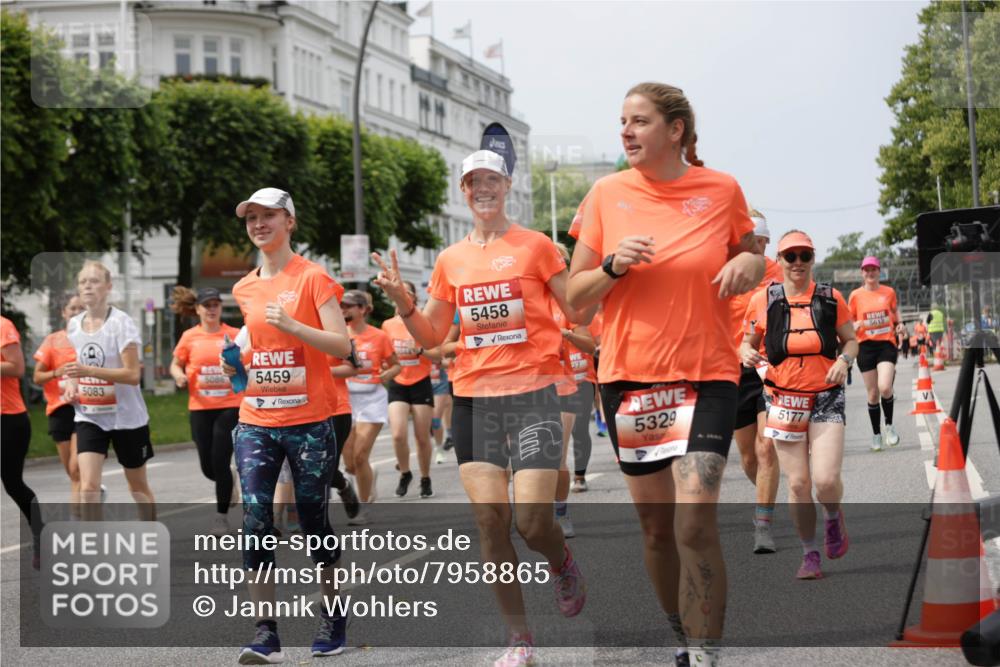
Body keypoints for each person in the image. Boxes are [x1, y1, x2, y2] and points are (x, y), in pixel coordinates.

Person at [567, 82, 765, 667]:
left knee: (695, 518)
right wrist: (611, 265)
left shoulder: (720, 188)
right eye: (622, 121)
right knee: (657, 531)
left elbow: (751, 254)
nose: (626, 131)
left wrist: (750, 260)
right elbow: (575, 303)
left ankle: (705, 653)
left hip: (706, 373)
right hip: (631, 378)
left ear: (675, 130)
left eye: (640, 121)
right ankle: (681, 632)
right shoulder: (605, 195)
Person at [373, 148, 588, 667]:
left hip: (532, 394)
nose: (482, 188)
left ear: (507, 185)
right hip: (473, 399)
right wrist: (403, 301)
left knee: (533, 523)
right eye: (473, 182)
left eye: (491, 179)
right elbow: (428, 337)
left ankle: (560, 561)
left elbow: (577, 307)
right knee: (490, 520)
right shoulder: (451, 259)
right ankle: (519, 640)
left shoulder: (537, 247)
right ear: (464, 192)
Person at [224, 187, 353, 663]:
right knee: (255, 519)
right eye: (251, 217)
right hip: (257, 418)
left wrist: (296, 326)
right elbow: (253, 355)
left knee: (313, 523)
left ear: (290, 222)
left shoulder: (314, 279)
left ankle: (334, 617)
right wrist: (234, 368)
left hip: (310, 422)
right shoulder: (245, 287)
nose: (259, 224)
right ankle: (265, 633)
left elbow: (341, 347)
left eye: (269, 216)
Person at [741, 230, 858, 581]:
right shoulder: (763, 299)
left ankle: (833, 515)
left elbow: (851, 340)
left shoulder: (831, 297)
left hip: (825, 394)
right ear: (779, 260)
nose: (797, 263)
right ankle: (809, 553)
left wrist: (844, 360)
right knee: (797, 484)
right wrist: (746, 353)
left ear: (812, 258)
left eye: (804, 256)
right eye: (790, 256)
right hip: (782, 397)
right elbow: (747, 342)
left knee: (824, 480)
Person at [62, 261, 156, 523]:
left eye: (94, 281)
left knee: (137, 487)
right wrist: (72, 384)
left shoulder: (121, 323)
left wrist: (88, 371)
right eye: (83, 282)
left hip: (127, 418)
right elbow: (75, 369)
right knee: (88, 486)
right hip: (90, 416)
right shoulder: (74, 325)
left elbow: (132, 375)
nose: (87, 286)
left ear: (108, 287)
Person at [726, 210, 784, 554]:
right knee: (748, 457)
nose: (757, 246)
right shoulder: (727, 273)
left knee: (766, 449)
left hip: (769, 367)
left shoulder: (778, 273)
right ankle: (767, 495)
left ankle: (763, 524)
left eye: (762, 241)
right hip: (734, 369)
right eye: (751, 240)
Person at [169, 286, 242, 535]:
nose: (212, 309)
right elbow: (176, 364)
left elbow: (248, 361)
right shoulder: (190, 337)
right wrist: (178, 376)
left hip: (230, 406)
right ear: (198, 309)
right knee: (208, 467)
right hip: (200, 407)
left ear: (221, 308)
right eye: (207, 305)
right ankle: (228, 480)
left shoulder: (234, 334)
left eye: (216, 304)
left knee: (220, 459)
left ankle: (221, 517)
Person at [338, 289, 399, 516]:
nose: (343, 309)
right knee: (350, 461)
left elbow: (396, 365)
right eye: (341, 306)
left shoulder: (379, 336)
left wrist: (388, 375)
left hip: (372, 399)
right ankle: (367, 475)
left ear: (362, 309)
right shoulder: (338, 335)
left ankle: (361, 508)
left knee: (360, 455)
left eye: (348, 306)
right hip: (345, 400)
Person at [551, 242, 596, 536]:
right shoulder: (525, 301)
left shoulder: (567, 303)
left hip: (566, 385)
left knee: (556, 455)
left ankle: (561, 512)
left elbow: (590, 345)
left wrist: (566, 334)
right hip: (527, 387)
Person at [382, 280, 436, 498]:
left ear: (412, 297)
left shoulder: (424, 320)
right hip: (398, 383)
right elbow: (385, 355)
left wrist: (420, 350)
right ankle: (405, 473)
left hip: (421, 381)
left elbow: (438, 354)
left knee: (422, 437)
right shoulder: (387, 325)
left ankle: (425, 477)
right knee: (397, 434)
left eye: (405, 291)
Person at [33, 294, 85, 515]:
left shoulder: (94, 338)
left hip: (86, 409)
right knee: (71, 472)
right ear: (64, 312)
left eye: (80, 308)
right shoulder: (53, 340)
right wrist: (57, 372)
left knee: (76, 469)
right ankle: (90, 493)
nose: (76, 312)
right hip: (59, 408)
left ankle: (80, 520)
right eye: (72, 308)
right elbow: (37, 377)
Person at [2, 314, 44, 567]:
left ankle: (41, 533)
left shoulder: (3, 326)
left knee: (13, 483)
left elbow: (17, 368)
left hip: (8, 418)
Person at [848, 256, 901, 452]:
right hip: (865, 346)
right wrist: (854, 326)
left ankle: (889, 426)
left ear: (879, 272)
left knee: (885, 387)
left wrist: (900, 324)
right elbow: (848, 321)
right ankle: (876, 434)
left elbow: (895, 313)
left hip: (886, 343)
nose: (870, 273)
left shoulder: (888, 292)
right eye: (866, 270)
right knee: (872, 393)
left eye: (874, 270)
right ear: (862, 273)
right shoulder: (855, 295)